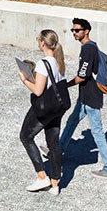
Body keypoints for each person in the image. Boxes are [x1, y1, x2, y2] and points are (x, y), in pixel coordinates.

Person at [59, 16, 107, 180]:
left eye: (77, 30)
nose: (74, 33)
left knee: (97, 132)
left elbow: (82, 76)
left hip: (91, 97)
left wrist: (64, 85)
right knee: (72, 121)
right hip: (85, 96)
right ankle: (57, 150)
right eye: (73, 30)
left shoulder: (88, 49)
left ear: (87, 31)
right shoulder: (89, 47)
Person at [18, 28, 67, 196]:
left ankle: (42, 176)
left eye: (38, 39)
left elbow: (38, 91)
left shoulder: (42, 64)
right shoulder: (59, 61)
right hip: (57, 107)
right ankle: (55, 185)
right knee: (53, 143)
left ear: (43, 43)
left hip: (45, 107)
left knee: (26, 136)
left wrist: (25, 80)